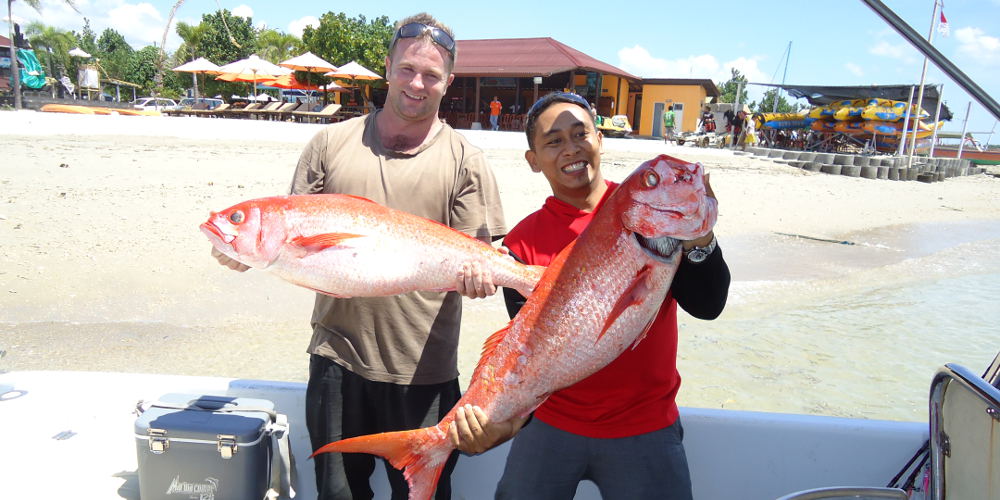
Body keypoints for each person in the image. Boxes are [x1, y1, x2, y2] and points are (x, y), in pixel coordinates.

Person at [212, 12, 507, 500]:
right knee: (338, 494)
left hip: (424, 369)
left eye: (432, 75)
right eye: (408, 68)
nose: (417, 83)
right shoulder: (329, 143)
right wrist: (242, 253)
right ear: (388, 65)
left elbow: (479, 258)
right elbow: (286, 240)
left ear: (448, 82)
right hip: (336, 360)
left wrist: (484, 276)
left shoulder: (466, 161)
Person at [448, 93, 731, 499]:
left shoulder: (649, 210)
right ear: (534, 159)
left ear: (600, 139)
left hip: (646, 424)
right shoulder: (521, 242)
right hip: (551, 422)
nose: (572, 149)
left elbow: (708, 306)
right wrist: (503, 422)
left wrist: (700, 237)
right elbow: (530, 351)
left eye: (580, 134)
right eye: (554, 140)